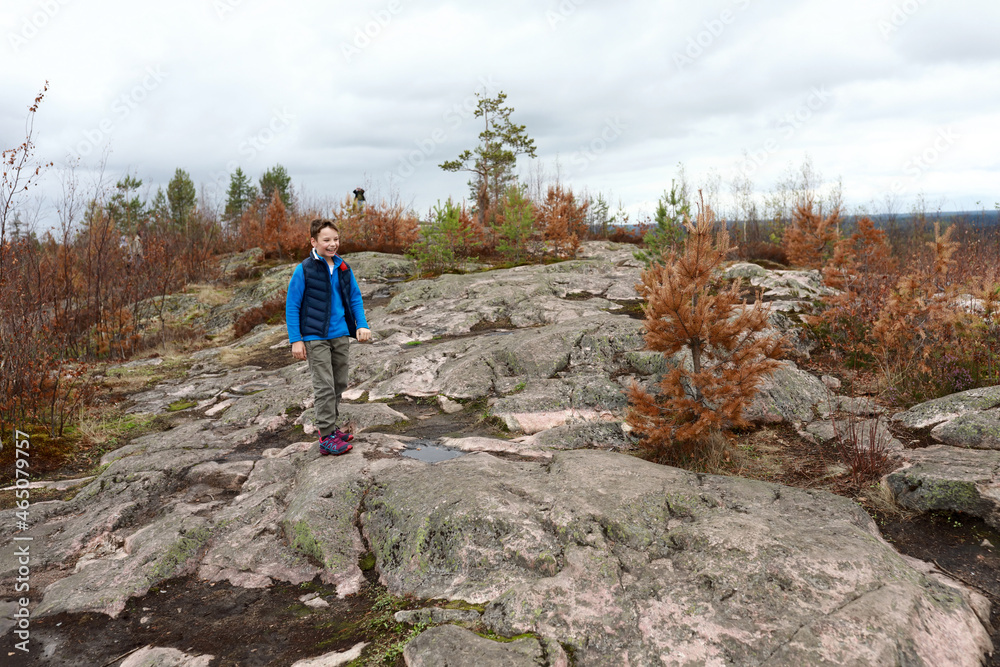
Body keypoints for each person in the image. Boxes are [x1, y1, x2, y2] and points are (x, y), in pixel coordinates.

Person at [286, 219, 371, 455]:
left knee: (339, 383)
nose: (332, 244)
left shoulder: (344, 268)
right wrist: (296, 339)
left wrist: (360, 325)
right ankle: (326, 436)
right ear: (314, 241)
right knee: (324, 385)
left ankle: (332, 428)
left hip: (341, 334)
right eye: (326, 240)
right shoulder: (304, 269)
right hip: (315, 337)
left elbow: (355, 298)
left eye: (335, 239)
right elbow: (292, 305)